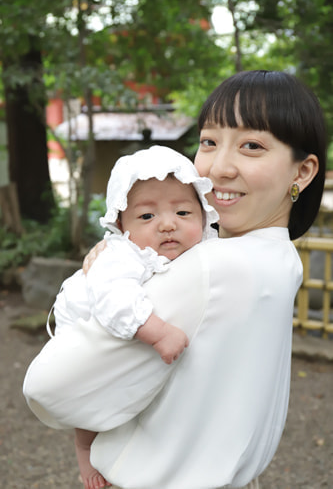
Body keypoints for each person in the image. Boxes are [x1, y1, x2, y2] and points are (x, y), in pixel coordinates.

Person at [23, 70, 326, 489]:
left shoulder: (211, 267)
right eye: (208, 142)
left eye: (252, 146)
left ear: (303, 171)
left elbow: (48, 387)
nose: (219, 168)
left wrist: (100, 276)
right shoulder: (281, 260)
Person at [45, 145, 219, 489]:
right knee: (90, 399)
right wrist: (159, 333)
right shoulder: (120, 256)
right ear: (121, 225)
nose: (168, 224)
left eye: (183, 212)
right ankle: (86, 450)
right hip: (83, 327)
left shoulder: (205, 249)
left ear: (204, 214)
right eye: (147, 217)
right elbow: (116, 300)